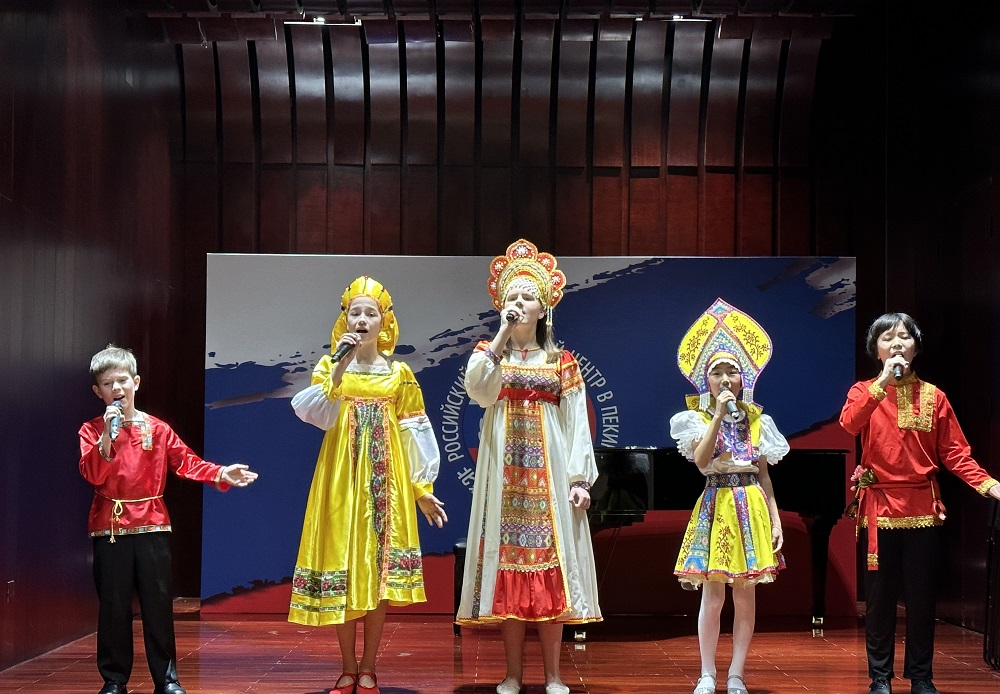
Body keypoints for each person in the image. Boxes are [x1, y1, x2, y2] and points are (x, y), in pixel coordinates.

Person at [289, 275, 448, 694]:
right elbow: (315, 413)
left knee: (377, 574)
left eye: (370, 313)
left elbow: (415, 431)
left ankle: (369, 666)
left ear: (384, 322)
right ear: (344, 321)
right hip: (341, 479)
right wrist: (340, 364)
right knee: (342, 565)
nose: (362, 319)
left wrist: (421, 489)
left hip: (385, 483)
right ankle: (346, 665)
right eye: (354, 313)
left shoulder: (399, 373)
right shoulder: (329, 367)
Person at [456, 239, 602, 694]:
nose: (519, 303)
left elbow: (577, 424)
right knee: (508, 570)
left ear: (544, 308)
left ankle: (554, 674)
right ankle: (513, 674)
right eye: (512, 297)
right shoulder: (489, 352)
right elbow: (477, 390)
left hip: (548, 475)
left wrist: (579, 478)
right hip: (504, 477)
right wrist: (500, 336)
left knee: (550, 569)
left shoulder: (561, 362)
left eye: (527, 296)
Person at [79, 344, 259, 694]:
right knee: (113, 607)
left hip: (152, 523)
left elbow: (187, 462)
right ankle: (114, 680)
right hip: (110, 526)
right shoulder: (91, 430)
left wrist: (221, 472)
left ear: (136, 382)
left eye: (122, 380)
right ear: (98, 392)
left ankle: (167, 679)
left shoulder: (158, 429)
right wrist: (107, 437)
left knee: (157, 604)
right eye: (108, 383)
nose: (117, 388)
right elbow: (93, 474)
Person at [840, 313, 1000, 694]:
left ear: (916, 347)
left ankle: (922, 677)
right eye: (888, 338)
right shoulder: (863, 391)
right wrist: (881, 383)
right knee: (879, 602)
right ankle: (880, 678)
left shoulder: (934, 396)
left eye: (904, 337)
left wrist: (990, 485)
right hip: (880, 510)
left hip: (922, 512)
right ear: (876, 350)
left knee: (922, 599)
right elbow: (849, 424)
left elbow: (955, 453)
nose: (897, 343)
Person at [669, 298, 789, 694]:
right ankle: (707, 673)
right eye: (716, 372)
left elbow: (764, 475)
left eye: (731, 371)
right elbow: (701, 461)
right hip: (716, 503)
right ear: (706, 380)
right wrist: (718, 415)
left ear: (743, 378)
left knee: (746, 595)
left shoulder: (760, 421)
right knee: (713, 593)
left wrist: (775, 519)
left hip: (750, 504)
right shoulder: (696, 419)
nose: (724, 378)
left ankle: (736, 673)